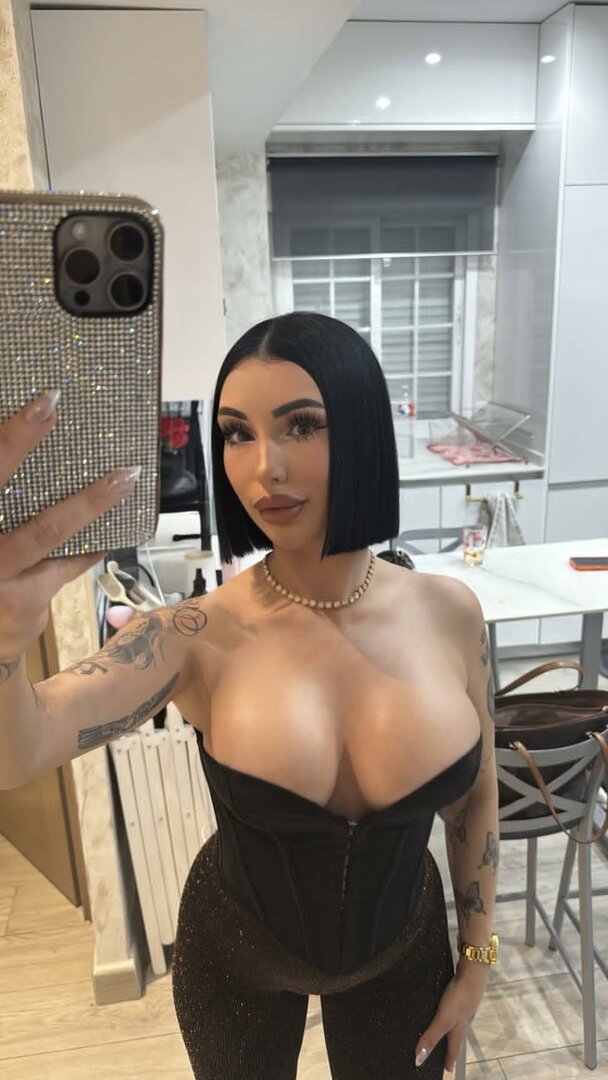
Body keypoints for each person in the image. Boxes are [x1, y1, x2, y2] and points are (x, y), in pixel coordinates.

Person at [0, 312, 499, 1079]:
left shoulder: (451, 614)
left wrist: (477, 962)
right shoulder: (192, 635)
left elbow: (476, 797)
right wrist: (4, 646)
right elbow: (20, 751)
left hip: (405, 950)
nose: (265, 466)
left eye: (301, 425)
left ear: (363, 430)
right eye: (237, 433)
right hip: (236, 955)